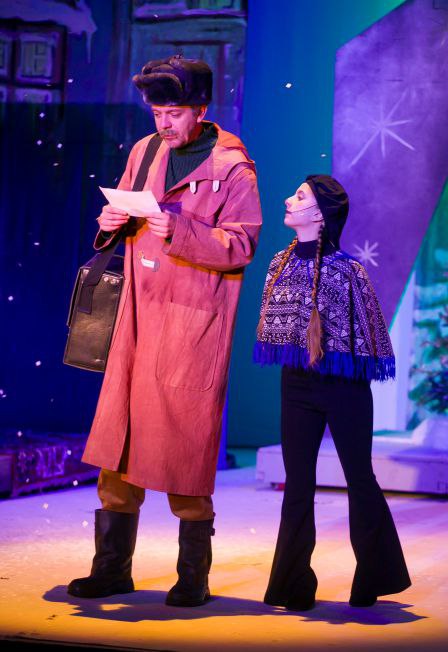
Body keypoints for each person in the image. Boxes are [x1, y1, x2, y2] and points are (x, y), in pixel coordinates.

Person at [67, 55, 262, 607]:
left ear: (200, 110)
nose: (164, 123)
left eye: (174, 113)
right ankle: (111, 569)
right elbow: (127, 213)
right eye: (157, 113)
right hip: (135, 315)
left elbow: (241, 245)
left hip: (189, 322)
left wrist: (179, 227)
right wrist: (111, 222)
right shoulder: (145, 151)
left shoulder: (233, 169)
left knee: (184, 446)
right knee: (118, 442)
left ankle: (193, 577)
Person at [254, 175, 410, 610]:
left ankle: (375, 576)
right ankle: (292, 584)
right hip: (297, 383)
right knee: (297, 484)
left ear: (320, 214)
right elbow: (276, 325)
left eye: (300, 196)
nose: (289, 199)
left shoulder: (348, 271)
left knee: (359, 478)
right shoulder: (278, 264)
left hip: (344, 386)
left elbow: (368, 334)